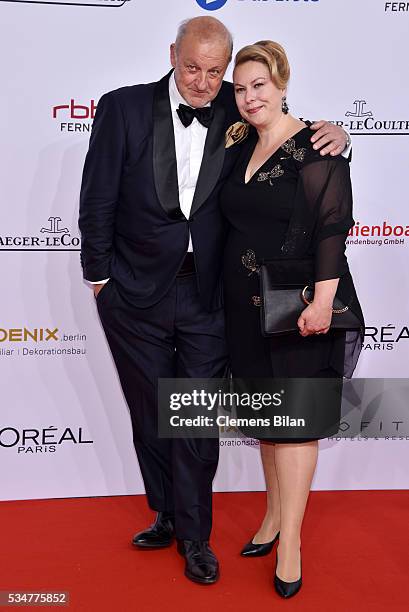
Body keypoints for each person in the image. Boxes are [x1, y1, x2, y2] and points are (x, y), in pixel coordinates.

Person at [79, 17, 349, 586]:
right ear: (172, 54)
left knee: (194, 418)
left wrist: (339, 134)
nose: (203, 84)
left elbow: (295, 138)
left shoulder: (239, 103)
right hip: (134, 295)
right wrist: (99, 281)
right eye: (191, 68)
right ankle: (167, 515)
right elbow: (96, 193)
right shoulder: (123, 108)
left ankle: (196, 538)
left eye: (214, 71)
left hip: (210, 296)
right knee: (152, 414)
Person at [220, 41, 363, 597]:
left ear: (282, 84)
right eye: (240, 87)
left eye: (259, 85)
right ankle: (273, 518)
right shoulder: (238, 145)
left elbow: (333, 226)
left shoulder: (318, 150)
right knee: (269, 424)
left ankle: (292, 543)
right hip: (246, 308)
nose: (249, 96)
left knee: (296, 427)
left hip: (301, 306)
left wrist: (323, 303)